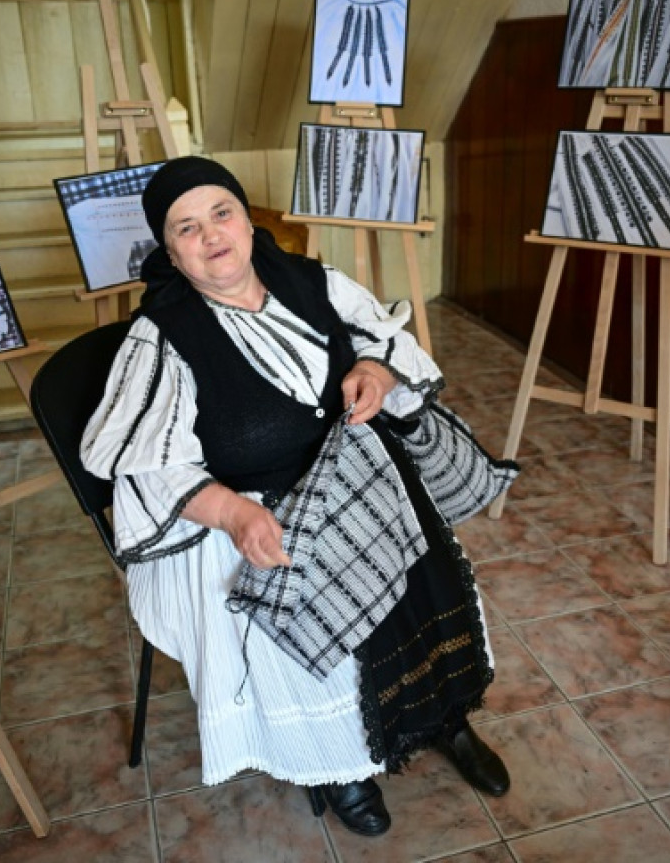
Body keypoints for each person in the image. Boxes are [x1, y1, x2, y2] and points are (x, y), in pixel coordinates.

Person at [80, 157, 518, 837]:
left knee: (421, 583)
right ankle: (340, 764)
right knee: (312, 622)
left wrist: (372, 368)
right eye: (187, 228)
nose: (212, 235)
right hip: (257, 511)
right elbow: (147, 464)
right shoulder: (164, 333)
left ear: (247, 220)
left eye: (221, 213)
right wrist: (230, 511)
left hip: (361, 479)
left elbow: (381, 335)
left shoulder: (310, 280)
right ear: (170, 252)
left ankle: (444, 718)